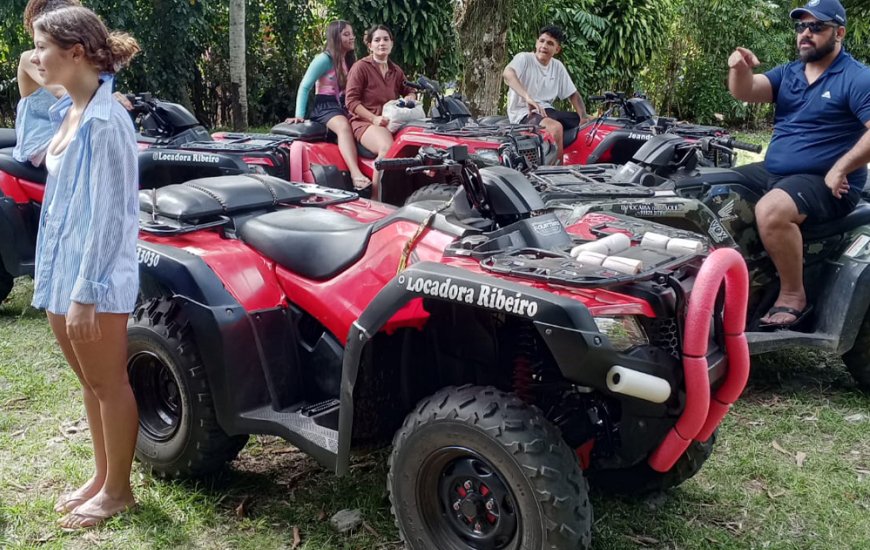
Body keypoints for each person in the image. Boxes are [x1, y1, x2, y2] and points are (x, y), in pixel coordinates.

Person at [29, 5, 141, 529]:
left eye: (42, 46)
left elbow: (109, 217)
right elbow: (34, 153)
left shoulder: (107, 120)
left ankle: (119, 491)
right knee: (90, 384)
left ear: (75, 52)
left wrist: (86, 293)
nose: (34, 57)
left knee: (109, 382)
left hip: (91, 280)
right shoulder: (70, 109)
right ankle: (101, 478)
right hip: (63, 270)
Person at [727, 0, 870, 329]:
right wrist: (738, 68)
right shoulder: (790, 73)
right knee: (712, 190)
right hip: (777, 172)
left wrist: (840, 167)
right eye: (801, 26)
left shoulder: (857, 78)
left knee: (770, 211)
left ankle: (793, 295)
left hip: (827, 180)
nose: (806, 33)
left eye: (817, 27)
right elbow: (746, 90)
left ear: (839, 33)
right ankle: (733, 283)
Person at [285, 20, 370, 190]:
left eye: (352, 33)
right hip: (326, 106)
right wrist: (299, 115)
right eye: (346, 34)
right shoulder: (324, 59)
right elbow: (305, 86)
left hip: (344, 105)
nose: (352, 37)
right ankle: (355, 175)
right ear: (335, 37)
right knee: (343, 127)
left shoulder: (350, 60)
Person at [344, 24, 416, 192]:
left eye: (385, 39)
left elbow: (409, 90)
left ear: (391, 43)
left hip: (390, 122)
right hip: (365, 123)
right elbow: (351, 102)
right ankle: (377, 199)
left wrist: (409, 97)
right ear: (369, 45)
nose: (381, 43)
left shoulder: (395, 70)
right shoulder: (361, 67)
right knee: (387, 147)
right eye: (376, 40)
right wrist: (373, 118)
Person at [502, 25, 587, 162]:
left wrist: (583, 117)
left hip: (546, 111)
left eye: (550, 43)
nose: (544, 46)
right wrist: (527, 97)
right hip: (523, 113)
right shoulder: (524, 58)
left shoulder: (557, 66)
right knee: (556, 127)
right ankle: (556, 173)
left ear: (557, 49)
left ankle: (579, 162)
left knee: (592, 124)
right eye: (542, 41)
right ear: (536, 43)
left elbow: (573, 94)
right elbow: (507, 73)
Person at [13, 0, 81, 166]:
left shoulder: (73, 60)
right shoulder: (30, 59)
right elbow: (62, 91)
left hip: (68, 137)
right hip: (40, 142)